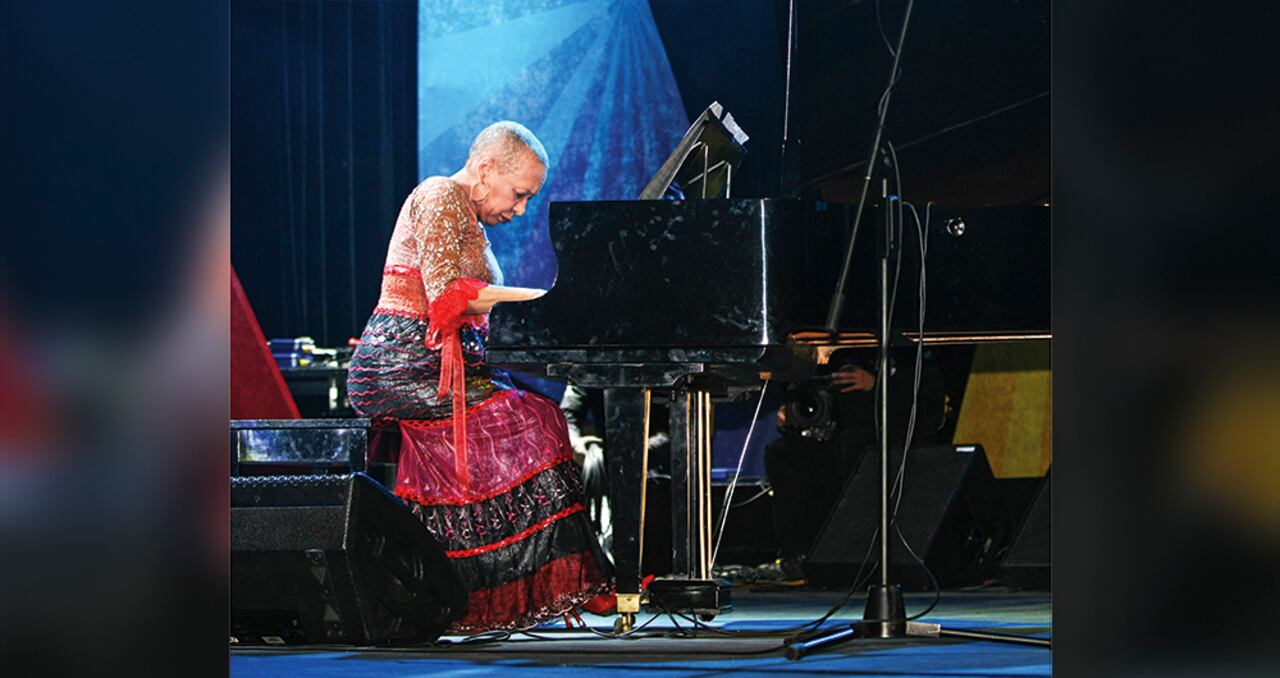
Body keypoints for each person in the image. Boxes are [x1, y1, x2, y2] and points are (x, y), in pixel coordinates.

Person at [346, 122, 609, 632]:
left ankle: (492, 587)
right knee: (534, 419)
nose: (521, 209)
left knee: (538, 413)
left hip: (445, 370)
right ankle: (561, 582)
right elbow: (452, 294)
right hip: (401, 365)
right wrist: (552, 300)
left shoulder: (471, 224)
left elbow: (484, 325)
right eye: (520, 194)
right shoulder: (440, 193)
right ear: (487, 170)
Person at [762, 348, 946, 580]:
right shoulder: (832, 348)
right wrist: (795, 409)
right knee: (783, 453)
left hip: (885, 435)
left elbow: (926, 405)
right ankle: (795, 556)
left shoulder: (907, 350)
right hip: (831, 436)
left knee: (853, 447)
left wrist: (876, 384)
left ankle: (856, 556)